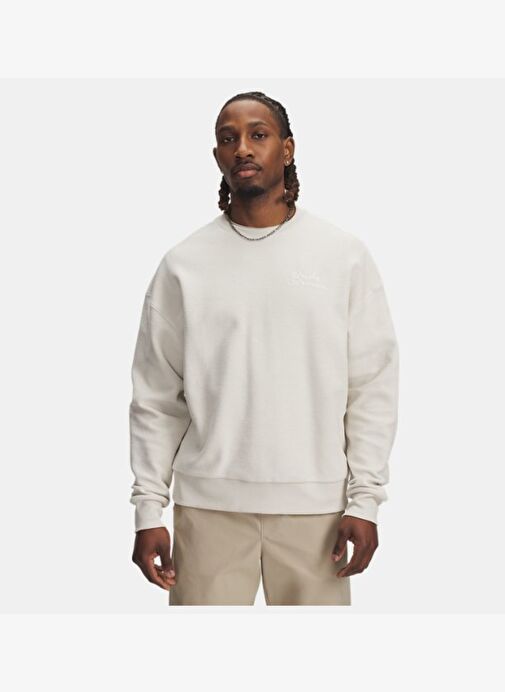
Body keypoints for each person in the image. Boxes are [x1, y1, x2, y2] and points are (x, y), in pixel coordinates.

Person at [129, 91, 399, 606]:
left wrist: (364, 502)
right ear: (217, 155)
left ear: (287, 148)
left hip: (316, 510)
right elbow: (156, 397)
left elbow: (371, 385)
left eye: (258, 134)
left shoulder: (341, 255)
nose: (243, 148)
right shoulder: (184, 264)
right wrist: (148, 510)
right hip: (208, 508)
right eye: (228, 138)